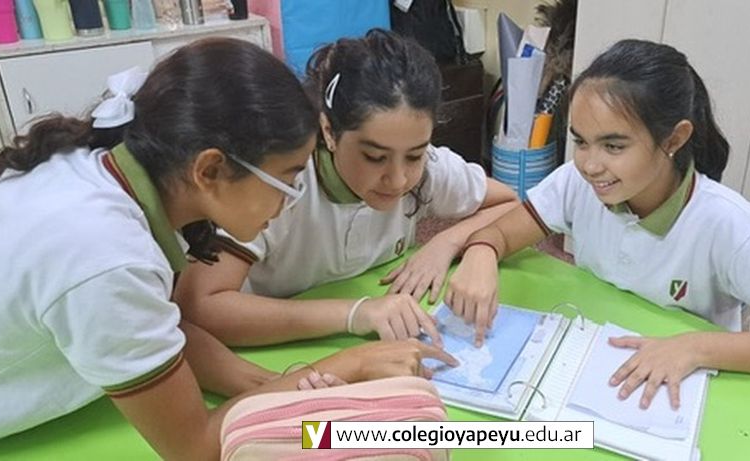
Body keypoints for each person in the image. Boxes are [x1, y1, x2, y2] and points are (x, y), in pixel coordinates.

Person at [0, 38, 454, 459]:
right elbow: (197, 448)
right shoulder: (105, 254)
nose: (292, 199)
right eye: (288, 178)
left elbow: (168, 324)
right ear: (209, 169)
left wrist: (277, 383)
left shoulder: (111, 174)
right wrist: (353, 365)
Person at [444, 39, 750, 410]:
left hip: (685, 386)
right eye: (581, 141)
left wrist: (695, 348)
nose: (589, 164)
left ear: (674, 140)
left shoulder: (729, 226)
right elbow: (502, 232)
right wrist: (482, 250)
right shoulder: (576, 183)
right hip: (596, 359)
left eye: (613, 145)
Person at [175, 29, 518, 348]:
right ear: (329, 131)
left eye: (414, 155)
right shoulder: (281, 183)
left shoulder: (428, 170)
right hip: (269, 344)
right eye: (374, 157)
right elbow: (198, 305)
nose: (398, 179)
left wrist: (452, 244)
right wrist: (355, 313)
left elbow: (511, 206)